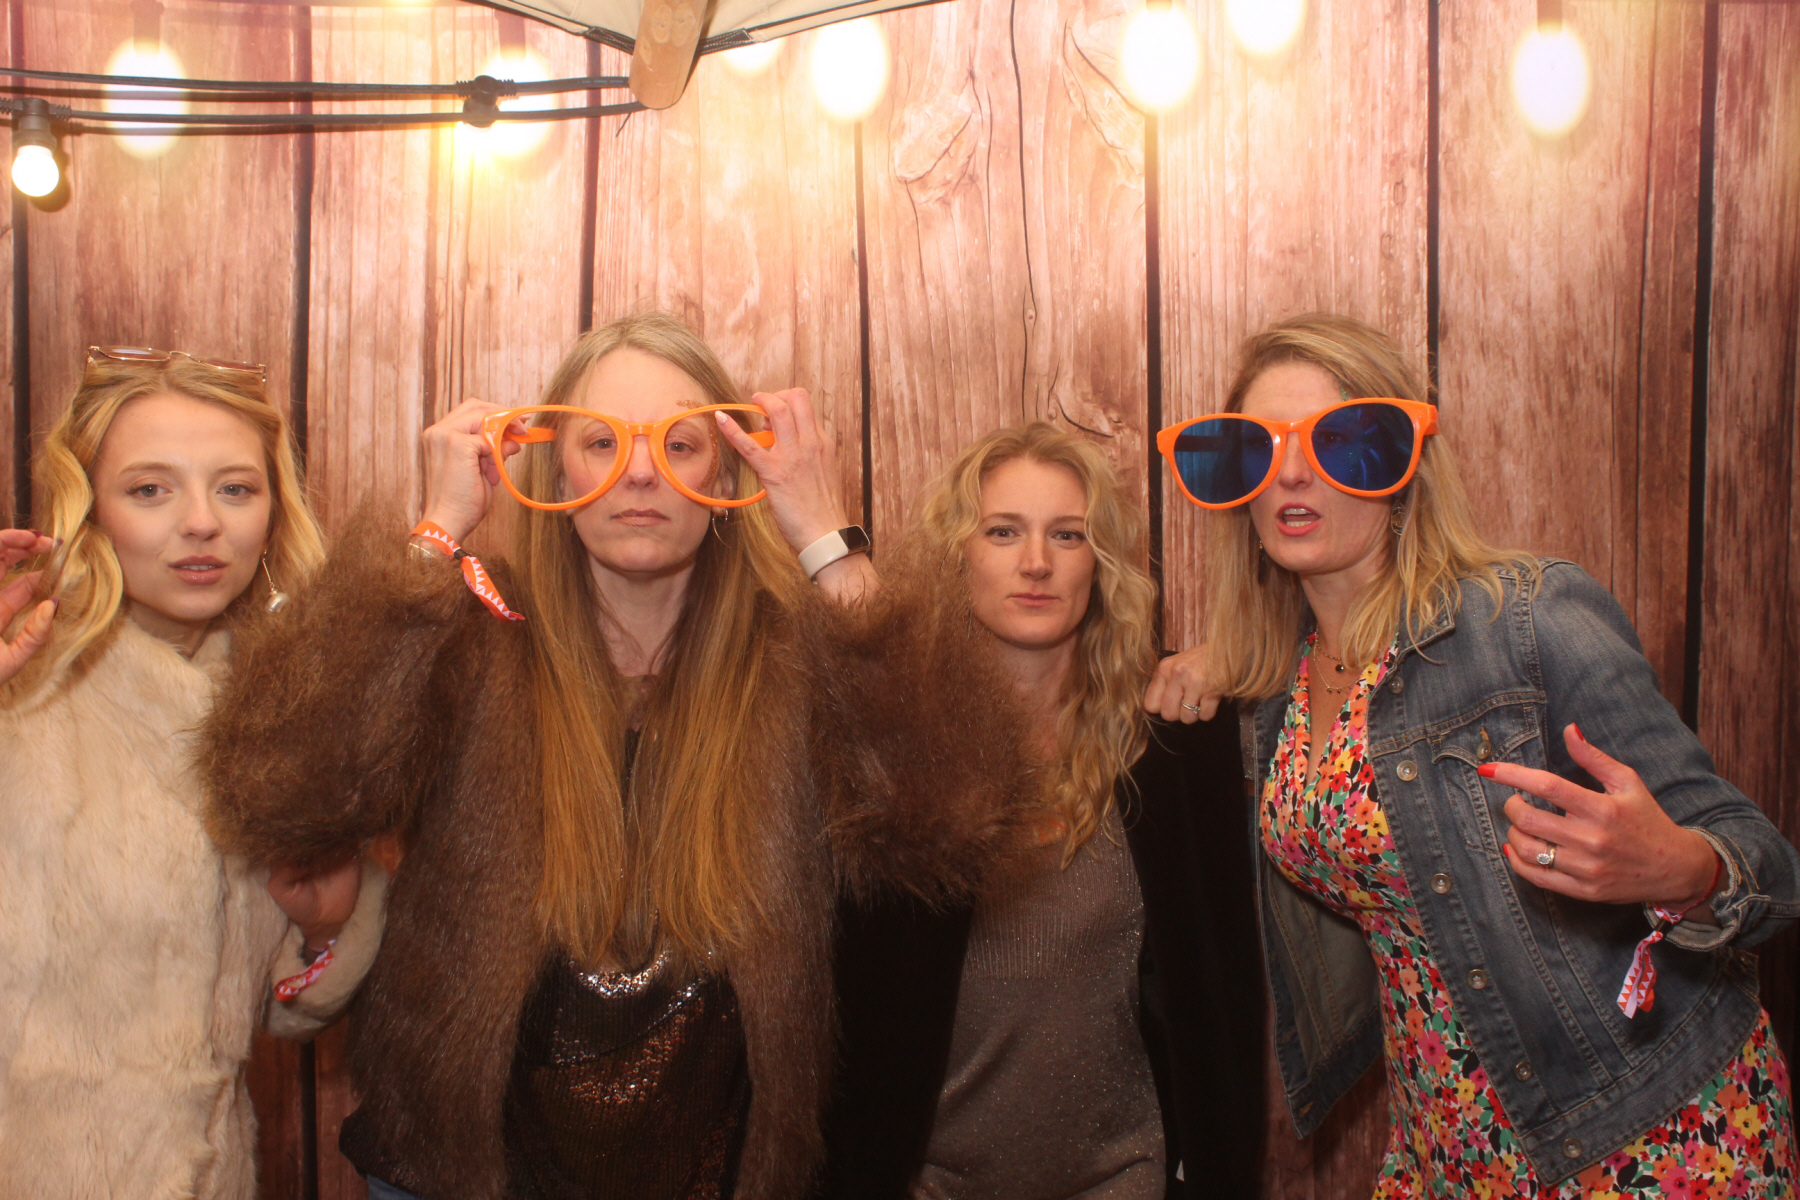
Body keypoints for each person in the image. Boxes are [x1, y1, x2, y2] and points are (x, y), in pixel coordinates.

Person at [201, 313, 1033, 1200]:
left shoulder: (797, 660)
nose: (640, 471)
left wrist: (826, 542)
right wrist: (433, 538)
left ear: (727, 472)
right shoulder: (468, 637)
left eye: (680, 443)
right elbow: (286, 792)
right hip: (457, 1173)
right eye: (602, 441)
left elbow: (949, 825)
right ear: (555, 469)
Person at [1150, 311, 1800, 1196]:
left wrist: (1683, 868)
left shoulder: (1527, 619)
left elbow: (1766, 865)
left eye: (1338, 442)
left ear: (1402, 468)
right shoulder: (1277, 689)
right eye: (1255, 449)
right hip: (1446, 1144)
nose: (1292, 472)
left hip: (1641, 1133)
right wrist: (1208, 663)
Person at [818, 422, 1266, 1199]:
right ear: (958, 554)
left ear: (1102, 561)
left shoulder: (1170, 736)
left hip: (1124, 1180)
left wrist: (1245, 653)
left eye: (1068, 534)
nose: (1036, 562)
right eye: (1003, 531)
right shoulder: (892, 745)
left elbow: (1221, 995)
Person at [0, 348, 377, 1199]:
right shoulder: (21, 691)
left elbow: (270, 1005)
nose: (202, 522)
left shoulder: (280, 715)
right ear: (91, 513)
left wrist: (327, 930)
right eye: (150, 490)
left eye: (235, 489)